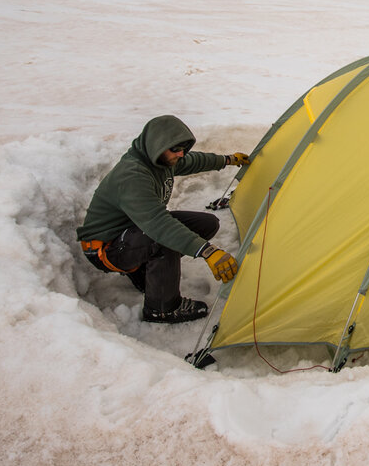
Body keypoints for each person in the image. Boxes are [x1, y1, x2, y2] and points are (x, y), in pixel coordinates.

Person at [76, 115, 249, 324]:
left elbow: (194, 161)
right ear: (157, 145)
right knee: (164, 238)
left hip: (132, 232)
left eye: (183, 148)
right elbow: (159, 224)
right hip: (106, 247)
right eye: (176, 149)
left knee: (207, 224)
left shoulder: (160, 159)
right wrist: (208, 251)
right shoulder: (133, 175)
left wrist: (228, 159)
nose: (181, 154)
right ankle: (162, 308)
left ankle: (142, 271)